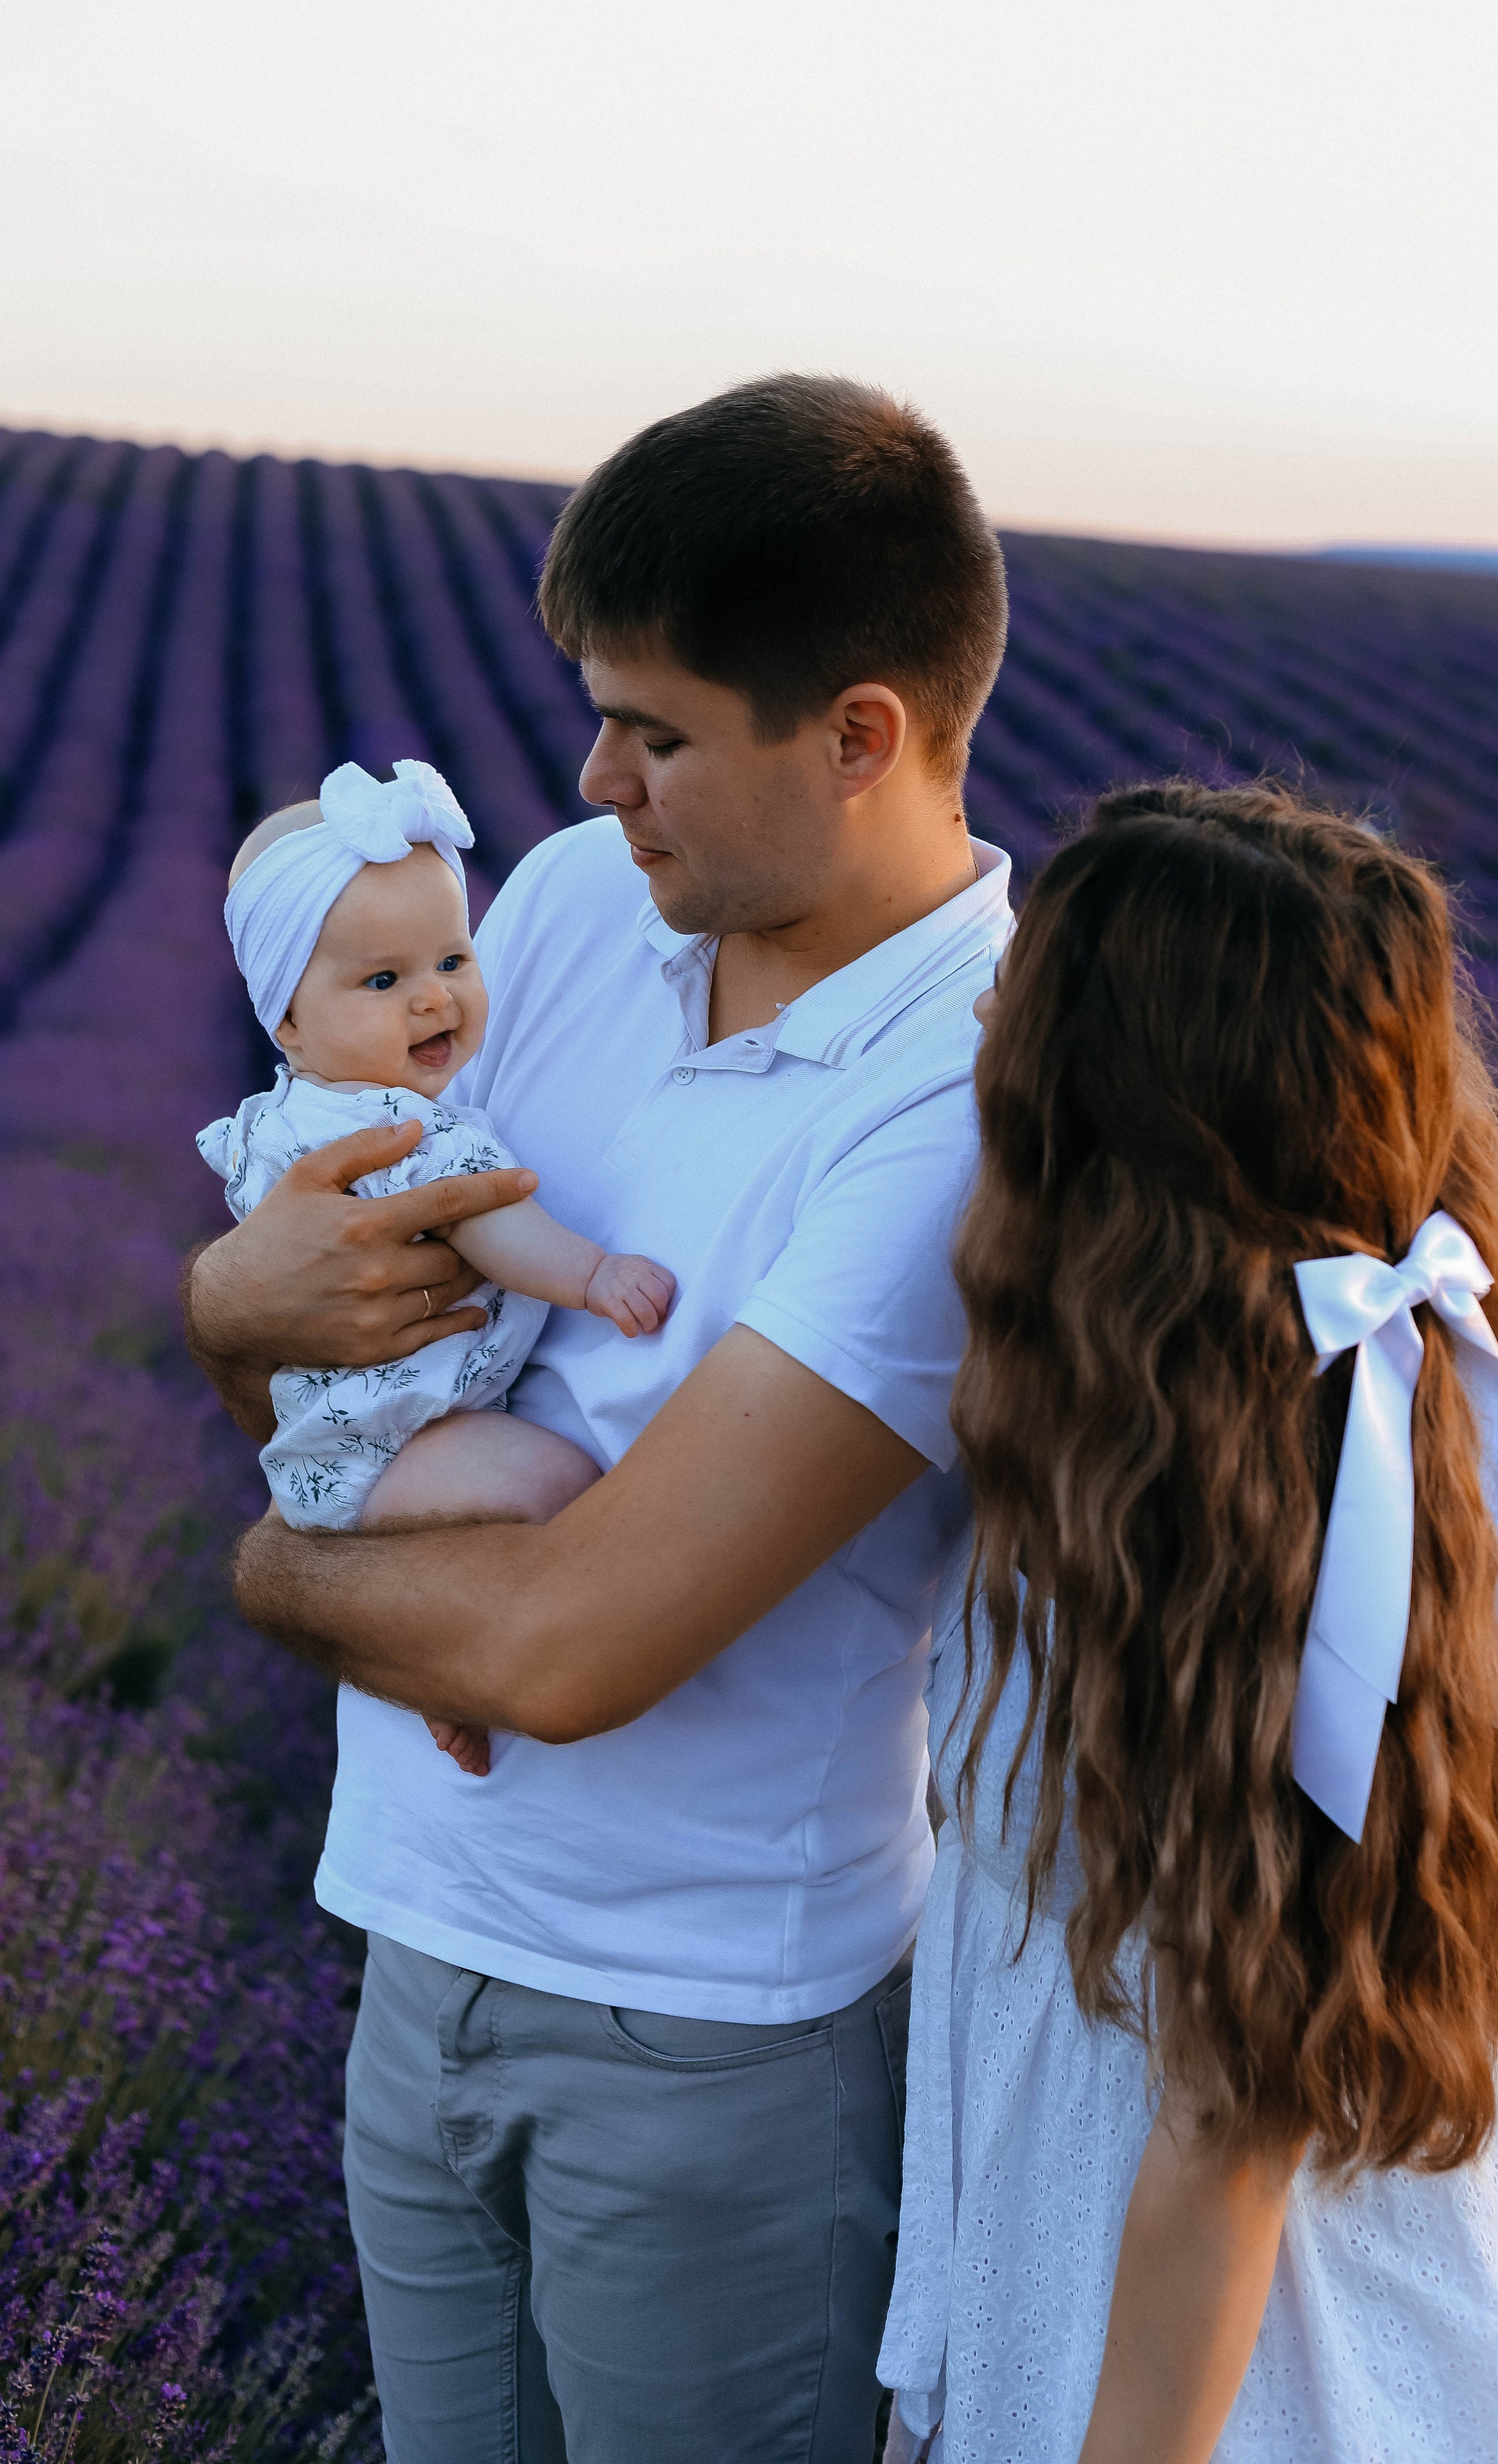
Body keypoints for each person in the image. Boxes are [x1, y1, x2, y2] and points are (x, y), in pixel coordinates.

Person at [183, 374, 1013, 2463]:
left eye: (656, 729)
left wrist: (272, 1564)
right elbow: (318, 1355)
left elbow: (574, 1650)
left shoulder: (967, 1091)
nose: (593, 775)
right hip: (411, 1939)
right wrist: (227, 1310)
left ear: (859, 737)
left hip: (706, 2039)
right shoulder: (562, 908)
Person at [877, 780, 1498, 2464]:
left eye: (1036, 989)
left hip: (1260, 2371)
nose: (991, 1003)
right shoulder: (1244, 1417)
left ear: (1131, 1102)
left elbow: (1235, 2127)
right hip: (1171, 2281)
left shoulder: (1266, 1509)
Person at [199, 755, 673, 1776]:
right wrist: (591, 1276)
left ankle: (434, 1674)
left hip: (353, 1447)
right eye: (383, 981)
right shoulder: (403, 1135)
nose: (431, 1001)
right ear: (285, 1018)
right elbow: (491, 1223)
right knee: (558, 1483)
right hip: (393, 1446)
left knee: (463, 1541)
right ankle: (449, 1669)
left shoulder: (291, 1122)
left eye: (452, 962)